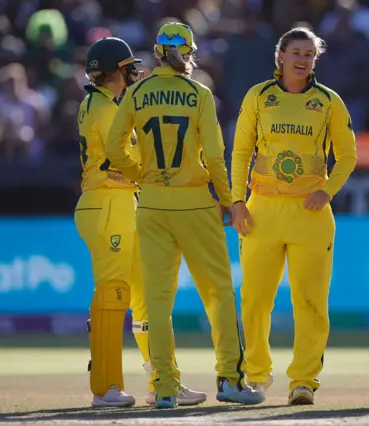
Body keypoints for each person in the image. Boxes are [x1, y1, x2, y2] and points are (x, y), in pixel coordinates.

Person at [104, 22, 264, 409]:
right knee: (220, 295)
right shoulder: (199, 93)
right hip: (194, 203)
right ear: (188, 54)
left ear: (157, 54)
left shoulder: (136, 92)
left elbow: (113, 146)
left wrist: (140, 173)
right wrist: (229, 200)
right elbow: (213, 156)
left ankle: (164, 388)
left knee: (158, 302)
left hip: (153, 202)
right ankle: (230, 379)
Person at [74, 36, 205, 408]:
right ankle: (105, 387)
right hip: (107, 202)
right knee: (113, 291)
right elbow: (132, 155)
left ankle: (163, 380)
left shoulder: (99, 103)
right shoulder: (105, 109)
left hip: (119, 201)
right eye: (129, 67)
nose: (135, 73)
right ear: (117, 71)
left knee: (146, 297)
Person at [231, 27, 357, 405]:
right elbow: (240, 152)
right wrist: (237, 201)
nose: (303, 59)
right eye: (296, 52)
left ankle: (304, 382)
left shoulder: (329, 101)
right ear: (280, 57)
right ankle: (256, 377)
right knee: (255, 300)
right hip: (262, 209)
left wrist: (327, 190)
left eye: (310, 54)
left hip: (310, 213)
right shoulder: (259, 96)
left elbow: (348, 155)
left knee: (311, 302)